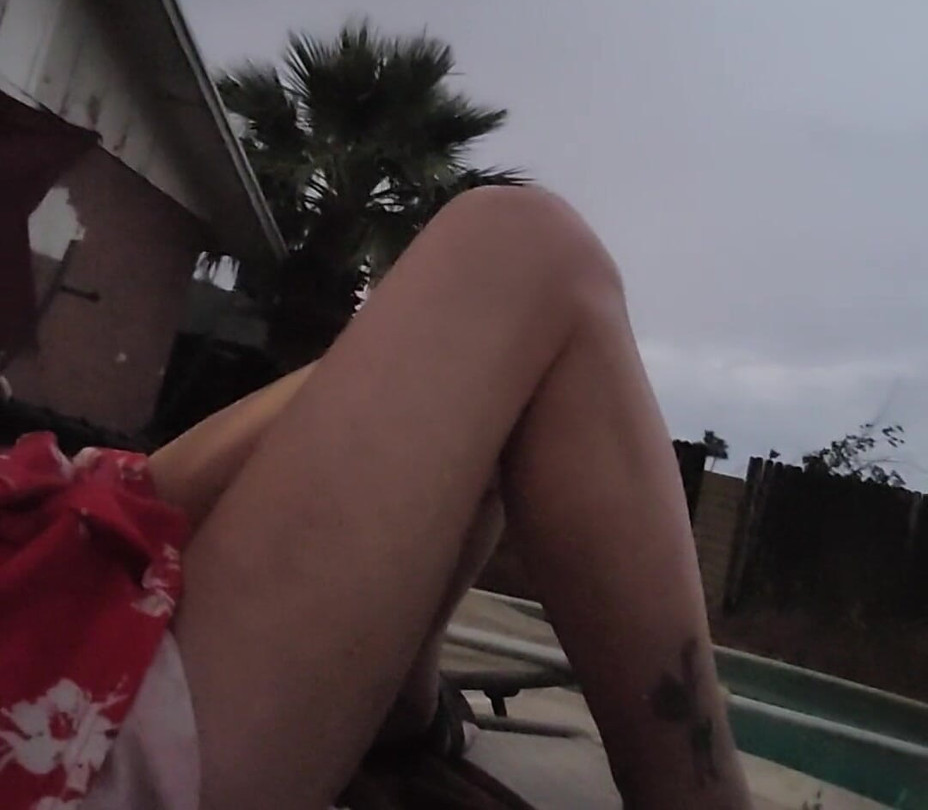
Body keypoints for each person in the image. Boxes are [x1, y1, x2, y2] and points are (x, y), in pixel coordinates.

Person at [0, 185, 752, 810]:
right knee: (522, 254)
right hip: (36, 699)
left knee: (479, 369)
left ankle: (401, 702)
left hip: (32, 532)